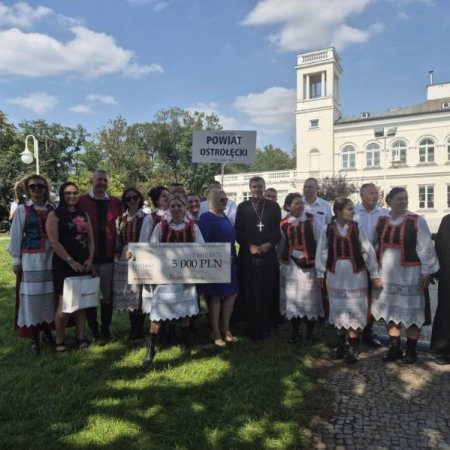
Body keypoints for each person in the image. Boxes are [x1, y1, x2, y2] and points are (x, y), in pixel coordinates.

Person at [372, 187, 439, 364]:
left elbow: (426, 249)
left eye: (405, 198)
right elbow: (372, 248)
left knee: (412, 315)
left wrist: (426, 272)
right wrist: (373, 273)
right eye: (399, 198)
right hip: (387, 276)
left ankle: (411, 351)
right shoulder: (381, 221)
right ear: (389, 201)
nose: (403, 201)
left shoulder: (417, 221)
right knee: (391, 313)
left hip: (410, 276)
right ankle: (394, 349)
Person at [316, 197, 381, 363]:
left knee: (354, 310)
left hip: (356, 276)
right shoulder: (327, 229)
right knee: (338, 310)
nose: (353, 212)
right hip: (335, 276)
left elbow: (367, 251)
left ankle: (352, 348)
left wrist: (374, 274)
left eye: (352, 209)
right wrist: (319, 273)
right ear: (338, 211)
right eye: (349, 209)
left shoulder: (357, 228)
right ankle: (341, 346)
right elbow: (322, 252)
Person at [143, 194, 204, 366]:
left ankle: (184, 343)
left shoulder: (192, 227)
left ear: (184, 207)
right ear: (169, 208)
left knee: (185, 310)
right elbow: (152, 248)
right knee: (157, 312)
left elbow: (202, 247)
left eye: (179, 206)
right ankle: (151, 347)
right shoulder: (160, 226)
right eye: (173, 206)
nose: (176, 209)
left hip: (186, 275)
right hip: (165, 276)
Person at [8, 174, 56, 354]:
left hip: (51, 257)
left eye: (40, 187)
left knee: (49, 295)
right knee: (32, 297)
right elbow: (16, 235)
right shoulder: (23, 210)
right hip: (32, 259)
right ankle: (34, 335)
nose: (37, 190)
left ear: (45, 189)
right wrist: (16, 259)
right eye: (33, 187)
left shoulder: (52, 207)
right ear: (28, 190)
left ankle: (47, 331)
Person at [46, 182, 95, 351]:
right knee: (65, 305)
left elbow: (90, 240)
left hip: (83, 263)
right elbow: (53, 241)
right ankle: (59, 340)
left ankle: (80, 337)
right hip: (64, 264)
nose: (72, 196)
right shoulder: (55, 215)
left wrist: (90, 258)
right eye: (68, 193)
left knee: (81, 303)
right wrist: (69, 260)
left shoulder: (84, 214)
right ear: (62, 195)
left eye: (74, 193)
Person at [235, 176, 281, 339]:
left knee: (267, 288)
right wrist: (249, 246)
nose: (257, 189)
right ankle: (250, 324)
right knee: (250, 289)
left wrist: (269, 244)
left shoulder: (274, 206)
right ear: (250, 188)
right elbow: (238, 231)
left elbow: (277, 231)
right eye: (254, 187)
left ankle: (267, 324)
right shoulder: (242, 207)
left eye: (260, 186)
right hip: (249, 255)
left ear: (264, 187)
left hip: (268, 254)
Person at [78, 170, 122, 341]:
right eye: (99, 180)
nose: (102, 183)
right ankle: (93, 329)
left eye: (105, 179)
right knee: (88, 295)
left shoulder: (115, 202)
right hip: (87, 257)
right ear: (91, 181)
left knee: (107, 295)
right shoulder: (81, 201)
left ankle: (106, 328)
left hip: (108, 257)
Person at [279, 193, 323, 345]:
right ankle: (295, 332)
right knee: (294, 298)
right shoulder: (284, 223)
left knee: (309, 297)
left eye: (301, 203)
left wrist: (319, 263)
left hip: (309, 265)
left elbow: (320, 241)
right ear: (288, 206)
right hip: (291, 266)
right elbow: (282, 243)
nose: (300, 206)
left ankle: (310, 334)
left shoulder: (312, 220)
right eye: (296, 203)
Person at [198, 189, 238, 347]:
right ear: (213, 200)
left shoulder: (225, 216)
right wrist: (217, 256)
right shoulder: (206, 218)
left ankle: (226, 328)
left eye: (226, 199)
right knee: (215, 298)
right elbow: (202, 243)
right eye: (222, 200)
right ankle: (215, 332)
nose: (225, 202)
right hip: (215, 263)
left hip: (230, 262)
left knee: (231, 295)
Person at [113, 188, 153, 340]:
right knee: (130, 293)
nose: (132, 201)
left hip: (141, 256)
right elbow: (117, 240)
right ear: (125, 201)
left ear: (140, 199)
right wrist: (117, 256)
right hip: (125, 257)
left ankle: (140, 329)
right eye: (128, 198)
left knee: (140, 294)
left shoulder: (146, 217)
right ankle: (134, 329)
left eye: (135, 197)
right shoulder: (120, 219)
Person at [353, 183, 390, 347]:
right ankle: (353, 331)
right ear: (361, 195)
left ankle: (368, 331)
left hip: (377, 261)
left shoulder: (384, 214)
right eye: (371, 193)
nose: (375, 196)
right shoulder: (353, 212)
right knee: (357, 296)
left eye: (376, 193)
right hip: (356, 262)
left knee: (374, 298)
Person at [431, 214, 450, 364]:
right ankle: (445, 350)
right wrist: (436, 271)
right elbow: (439, 246)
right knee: (446, 311)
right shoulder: (446, 220)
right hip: (447, 276)